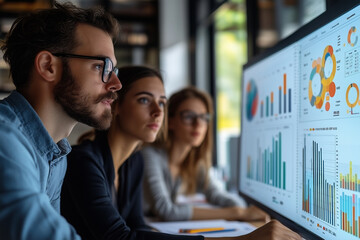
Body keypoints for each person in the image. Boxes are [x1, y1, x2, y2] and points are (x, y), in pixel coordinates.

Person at [61, 67, 301, 240]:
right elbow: (119, 237)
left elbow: (138, 227)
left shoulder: (132, 163)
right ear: (116, 106)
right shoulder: (84, 161)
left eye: (162, 103)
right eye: (145, 100)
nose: (157, 112)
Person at [0, 2, 122, 239]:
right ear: (48, 66)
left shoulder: (57, 155)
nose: (117, 84)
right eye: (101, 66)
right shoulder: (4, 138)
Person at [141, 87, 270, 222]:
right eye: (189, 116)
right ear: (170, 121)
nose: (198, 124)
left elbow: (218, 195)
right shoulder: (149, 155)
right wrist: (237, 212)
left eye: (203, 117)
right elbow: (166, 211)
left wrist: (242, 209)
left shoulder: (192, 163)